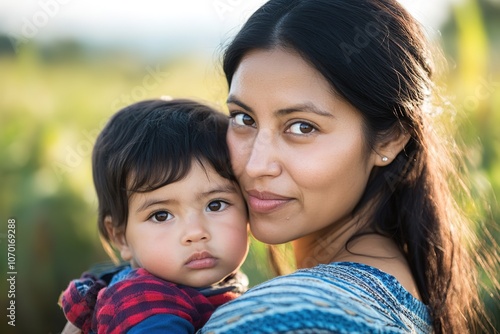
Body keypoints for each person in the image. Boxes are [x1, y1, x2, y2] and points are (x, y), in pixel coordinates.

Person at [198, 0, 492, 333]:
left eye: (302, 127)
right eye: (243, 118)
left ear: (389, 139)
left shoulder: (284, 318)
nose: (255, 165)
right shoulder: (397, 298)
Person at [59, 99, 249, 333]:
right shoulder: (142, 302)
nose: (196, 232)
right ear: (120, 237)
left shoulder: (216, 285)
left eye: (216, 205)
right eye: (161, 215)